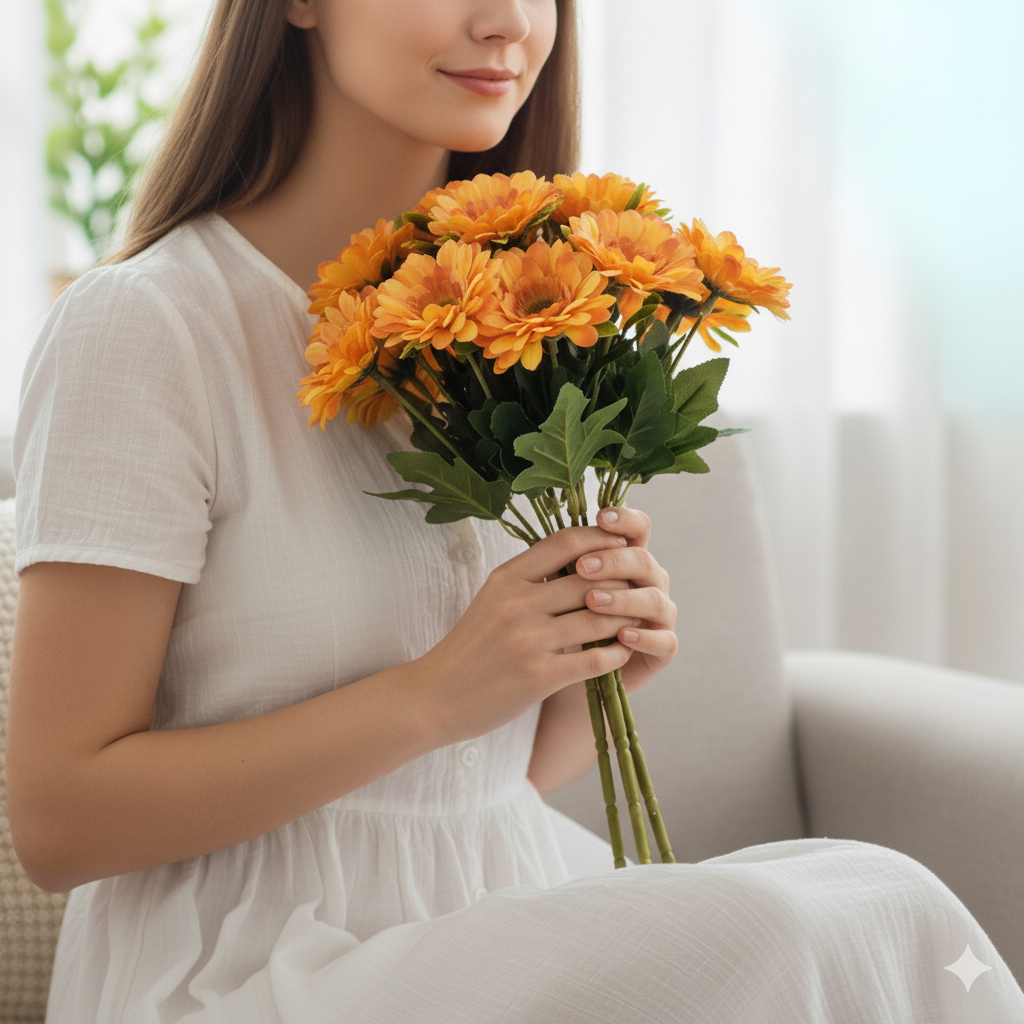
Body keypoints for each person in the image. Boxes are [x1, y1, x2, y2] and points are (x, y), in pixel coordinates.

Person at [6, 1, 1024, 1021]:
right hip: (250, 968)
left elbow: (466, 790)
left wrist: (587, 664)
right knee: (771, 929)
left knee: (886, 899)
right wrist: (437, 692)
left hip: (488, 907)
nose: (505, 22)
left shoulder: (514, 326)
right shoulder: (148, 329)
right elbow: (60, 820)